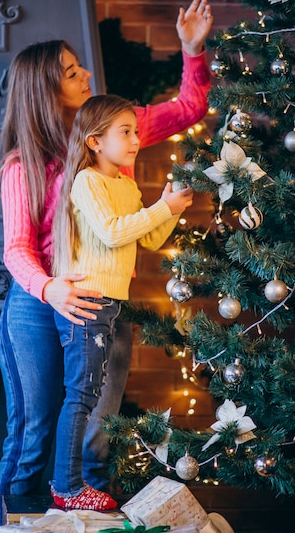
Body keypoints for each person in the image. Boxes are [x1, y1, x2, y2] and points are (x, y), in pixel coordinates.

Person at [0, 0, 213, 524]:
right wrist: (51, 288)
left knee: (99, 426)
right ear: (47, 91)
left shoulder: (117, 130)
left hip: (100, 301)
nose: (86, 72)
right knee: (34, 428)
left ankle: (88, 518)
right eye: (71, 72)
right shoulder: (23, 165)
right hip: (37, 302)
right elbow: (17, 249)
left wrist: (192, 50)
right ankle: (14, 519)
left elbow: (187, 109)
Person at [49, 94, 194, 510]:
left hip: (113, 306)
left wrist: (169, 211)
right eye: (124, 132)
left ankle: (79, 484)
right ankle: (67, 486)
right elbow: (113, 232)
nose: (135, 139)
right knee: (81, 395)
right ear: (95, 141)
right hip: (88, 304)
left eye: (135, 130)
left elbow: (145, 238)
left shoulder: (126, 185)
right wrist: (160, 207)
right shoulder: (87, 181)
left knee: (94, 397)